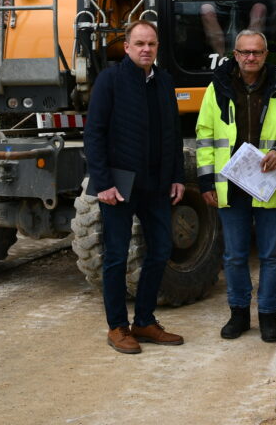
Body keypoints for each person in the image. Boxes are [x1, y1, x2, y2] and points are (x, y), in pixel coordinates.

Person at [84, 20, 187, 354]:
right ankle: (117, 327)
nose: (146, 49)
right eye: (140, 44)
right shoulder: (110, 80)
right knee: (116, 256)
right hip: (119, 184)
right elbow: (94, 133)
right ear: (127, 47)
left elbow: (173, 133)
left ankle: (144, 320)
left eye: (151, 44)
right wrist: (103, 183)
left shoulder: (164, 81)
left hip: (157, 183)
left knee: (160, 250)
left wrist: (177, 176)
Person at [196, 29, 276, 344]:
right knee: (235, 256)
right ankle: (238, 314)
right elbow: (205, 136)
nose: (251, 57)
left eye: (257, 52)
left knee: (271, 256)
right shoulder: (217, 88)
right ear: (235, 55)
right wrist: (205, 180)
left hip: (269, 185)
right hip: (231, 185)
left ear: (266, 55)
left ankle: (268, 316)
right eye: (245, 52)